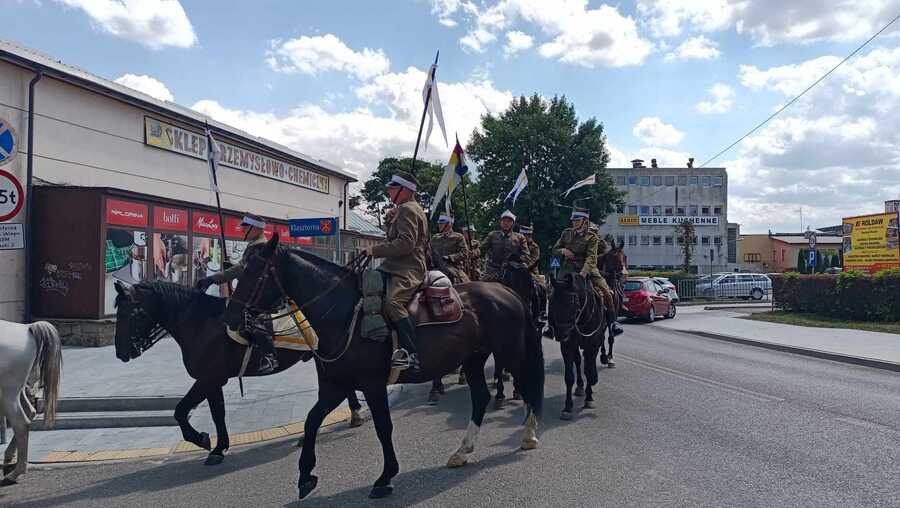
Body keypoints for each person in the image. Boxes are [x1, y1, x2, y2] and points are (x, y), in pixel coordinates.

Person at [196, 214, 279, 375]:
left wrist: (214, 278)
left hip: (260, 293)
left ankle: (270, 356)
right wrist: (231, 268)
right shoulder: (254, 245)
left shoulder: (260, 247)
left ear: (255, 229)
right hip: (253, 290)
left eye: (245, 228)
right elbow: (244, 269)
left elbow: (243, 270)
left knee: (249, 319)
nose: (242, 230)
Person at [367, 172, 428, 373]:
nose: (388, 191)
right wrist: (389, 221)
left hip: (408, 269)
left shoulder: (408, 209)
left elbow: (405, 244)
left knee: (393, 303)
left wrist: (375, 250)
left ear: (406, 190)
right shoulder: (404, 209)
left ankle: (413, 354)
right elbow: (396, 236)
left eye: (392, 188)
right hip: (393, 266)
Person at [552, 209, 624, 337]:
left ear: (585, 222)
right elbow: (555, 249)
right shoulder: (566, 233)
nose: (574, 223)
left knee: (606, 291)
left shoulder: (592, 237)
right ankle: (550, 325)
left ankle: (613, 323)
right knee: (554, 293)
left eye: (577, 220)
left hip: (588, 269)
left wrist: (583, 274)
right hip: (567, 269)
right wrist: (563, 251)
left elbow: (591, 258)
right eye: (573, 220)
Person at [481, 210, 530, 282]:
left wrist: (516, 260)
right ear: (500, 222)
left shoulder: (520, 238)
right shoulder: (492, 235)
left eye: (509, 221)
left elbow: (526, 256)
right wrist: (474, 252)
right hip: (492, 272)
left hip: (512, 273)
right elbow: (481, 249)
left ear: (513, 224)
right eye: (504, 221)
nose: (506, 223)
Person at [431, 213, 470, 283]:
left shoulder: (458, 237)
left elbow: (465, 253)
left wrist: (450, 257)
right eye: (439, 223)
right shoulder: (435, 238)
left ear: (449, 224)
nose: (439, 225)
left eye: (442, 223)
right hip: (436, 267)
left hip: (453, 267)